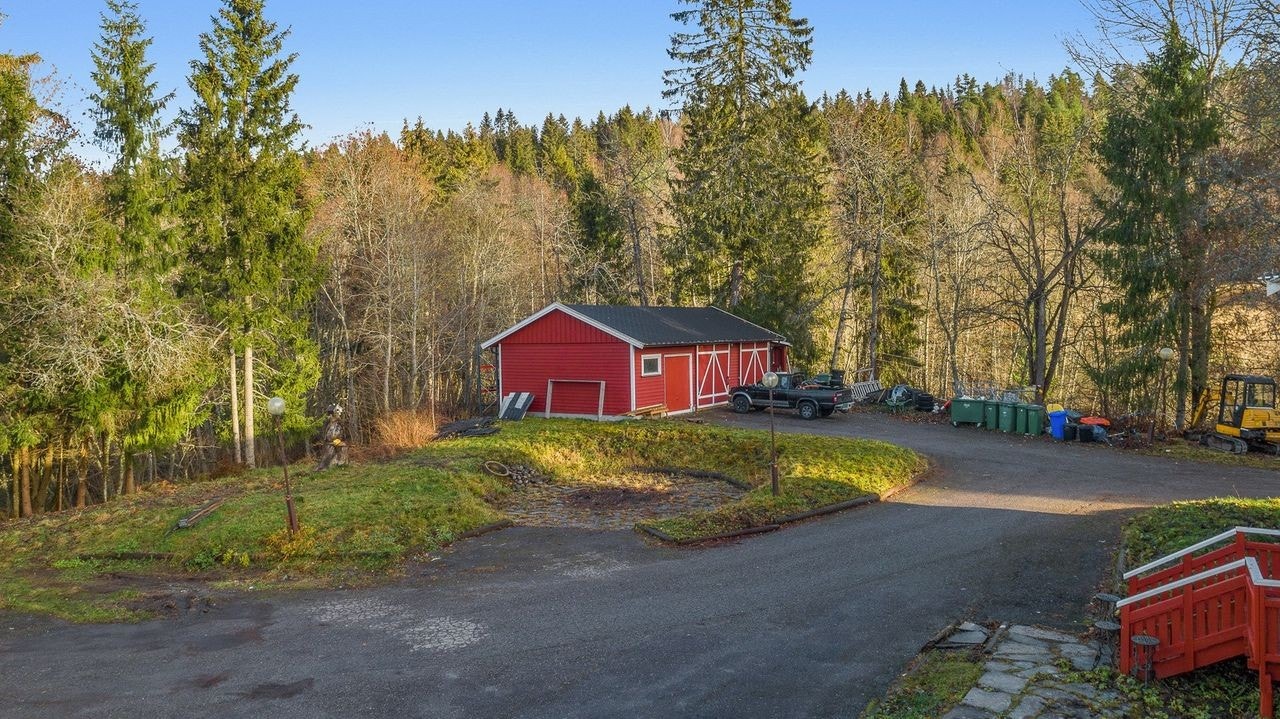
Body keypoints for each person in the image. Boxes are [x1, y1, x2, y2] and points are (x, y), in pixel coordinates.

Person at [314, 404, 348, 471]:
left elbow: (340, 434)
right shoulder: (329, 423)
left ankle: (338, 463)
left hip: (336, 441)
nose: (329, 417)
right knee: (329, 449)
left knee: (339, 447)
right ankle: (323, 466)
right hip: (329, 442)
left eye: (331, 415)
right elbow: (328, 435)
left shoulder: (339, 423)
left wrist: (338, 439)